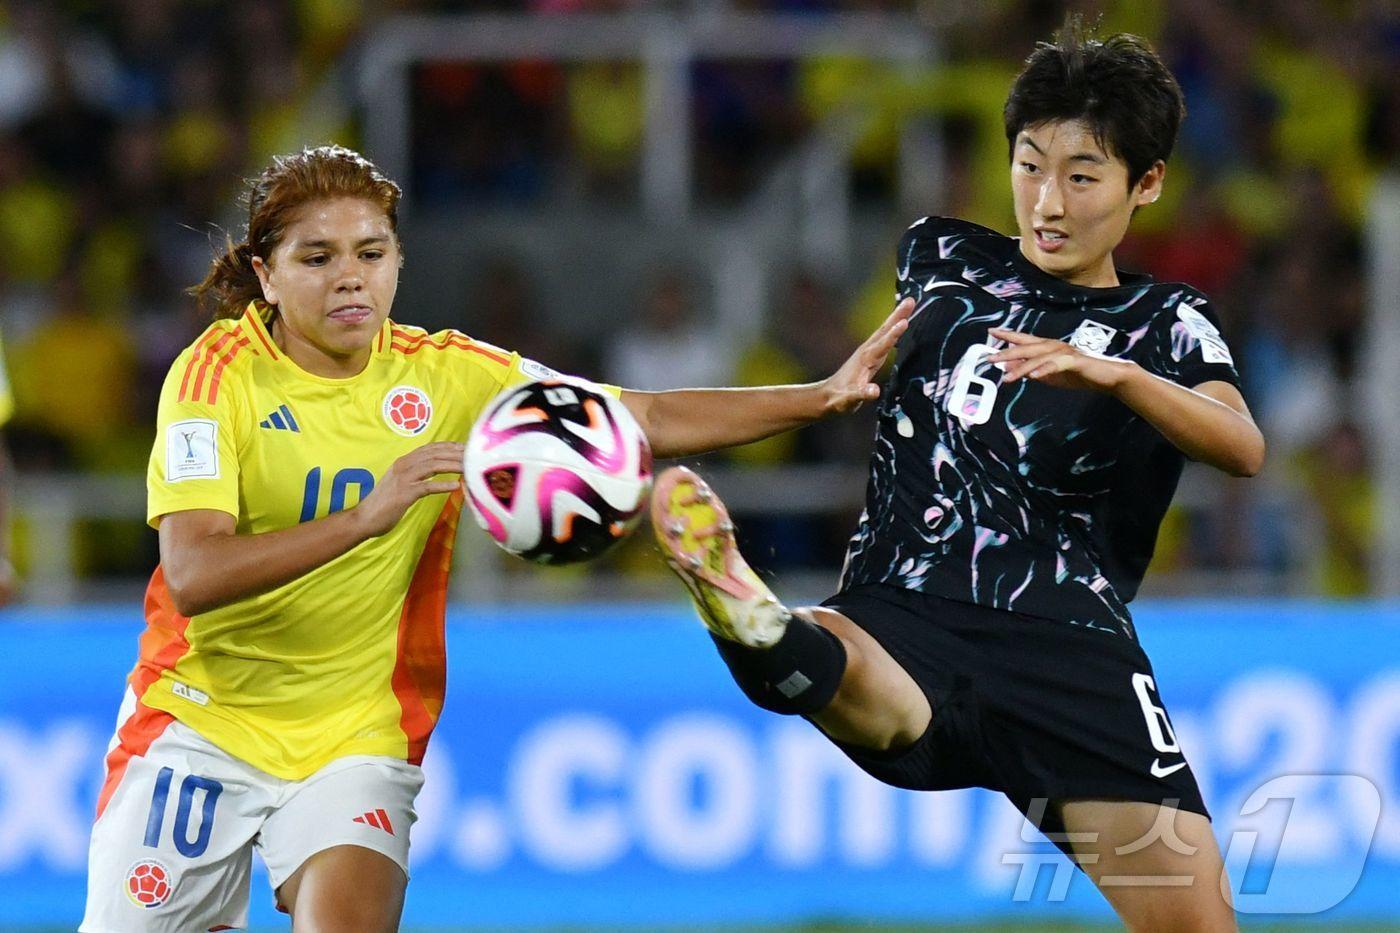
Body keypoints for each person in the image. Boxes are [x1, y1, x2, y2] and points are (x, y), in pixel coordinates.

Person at [80, 145, 910, 931]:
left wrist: (821, 394)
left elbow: (641, 416)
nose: (350, 278)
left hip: (355, 733)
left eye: (371, 253)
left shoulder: (446, 374)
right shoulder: (215, 376)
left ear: (398, 261)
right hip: (202, 720)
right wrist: (367, 516)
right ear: (265, 273)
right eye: (317, 257)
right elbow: (193, 572)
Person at [653, 24, 1263, 933]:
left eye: (1083, 177)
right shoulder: (939, 256)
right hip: (908, 600)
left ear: (1147, 183)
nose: (1047, 202)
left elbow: (1242, 445)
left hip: (1069, 645)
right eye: (1029, 166)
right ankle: (756, 619)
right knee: (856, 677)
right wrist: (828, 389)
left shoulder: (1164, 320)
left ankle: (768, 631)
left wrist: (1119, 377)